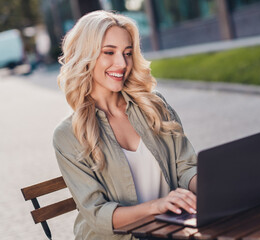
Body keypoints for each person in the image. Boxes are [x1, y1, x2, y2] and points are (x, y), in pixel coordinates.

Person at [53, 10, 197, 240]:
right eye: (109, 52)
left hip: (169, 232)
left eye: (127, 53)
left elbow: (186, 166)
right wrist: (157, 206)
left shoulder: (153, 106)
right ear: (85, 56)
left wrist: (215, 186)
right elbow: (97, 214)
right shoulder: (68, 135)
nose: (122, 63)